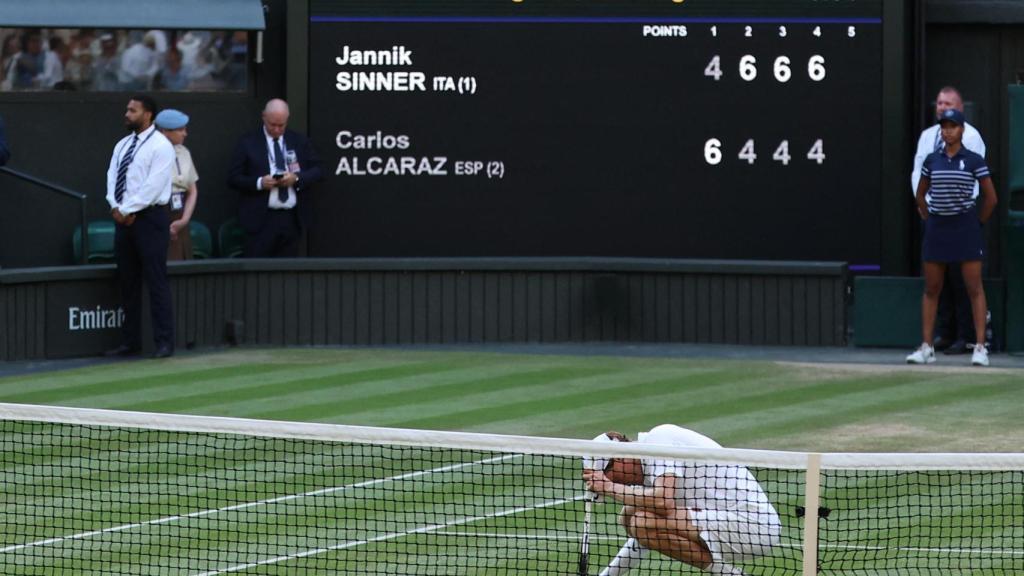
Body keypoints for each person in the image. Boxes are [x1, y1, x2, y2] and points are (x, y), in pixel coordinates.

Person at [582, 425, 781, 576]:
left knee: (641, 519)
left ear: (620, 458)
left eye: (611, 476)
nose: (614, 482)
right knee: (630, 516)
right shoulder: (650, 470)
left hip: (753, 526)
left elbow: (663, 501)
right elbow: (642, 537)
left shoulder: (658, 440)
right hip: (729, 527)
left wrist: (609, 488)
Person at [907, 108, 997, 367]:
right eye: (944, 126)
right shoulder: (932, 160)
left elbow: (991, 198)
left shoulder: (973, 160)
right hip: (938, 228)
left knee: (974, 288)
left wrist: (976, 223)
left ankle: (980, 348)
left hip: (965, 227)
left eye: (953, 126)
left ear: (961, 130)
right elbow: (921, 195)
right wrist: (928, 216)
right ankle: (927, 348)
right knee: (932, 288)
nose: (948, 131)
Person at [105, 95, 176, 358]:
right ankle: (129, 341)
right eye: (127, 109)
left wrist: (127, 210)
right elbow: (112, 176)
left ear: (148, 115)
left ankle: (164, 342)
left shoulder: (161, 146)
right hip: (123, 220)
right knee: (128, 281)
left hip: (150, 219)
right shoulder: (122, 144)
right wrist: (115, 206)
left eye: (132, 110)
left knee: (156, 280)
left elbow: (153, 186)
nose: (127, 113)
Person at [227, 98, 323, 257]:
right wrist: (259, 182)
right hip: (260, 219)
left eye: (281, 125)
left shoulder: (298, 141)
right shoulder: (248, 142)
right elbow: (233, 177)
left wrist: (297, 178)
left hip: (292, 218)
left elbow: (319, 170)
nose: (277, 129)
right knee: (257, 271)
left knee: (288, 271)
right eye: (272, 125)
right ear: (264, 116)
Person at [154, 109, 198, 260]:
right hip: (159, 213)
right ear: (165, 131)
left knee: (183, 258)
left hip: (180, 213)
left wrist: (184, 220)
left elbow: (192, 190)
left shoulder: (184, 152)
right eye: (180, 130)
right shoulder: (152, 153)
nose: (185, 133)